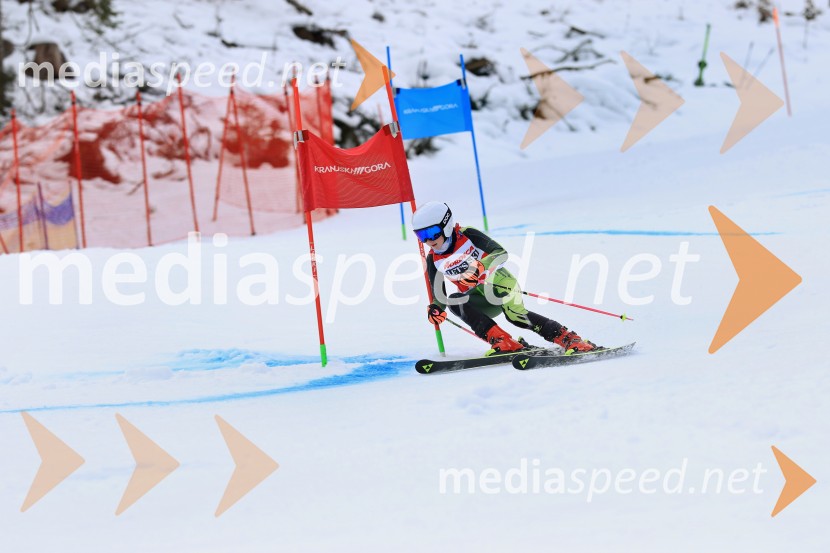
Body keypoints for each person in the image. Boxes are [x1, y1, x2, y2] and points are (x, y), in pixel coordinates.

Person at [412, 201, 598, 356]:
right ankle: (503, 341)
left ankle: (568, 338)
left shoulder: (467, 234)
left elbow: (500, 253)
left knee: (516, 316)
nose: (428, 240)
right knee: (454, 301)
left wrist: (482, 265)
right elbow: (439, 294)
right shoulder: (433, 259)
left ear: (447, 224)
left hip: (500, 284)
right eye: (421, 235)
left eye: (432, 232)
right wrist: (436, 308)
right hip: (479, 299)